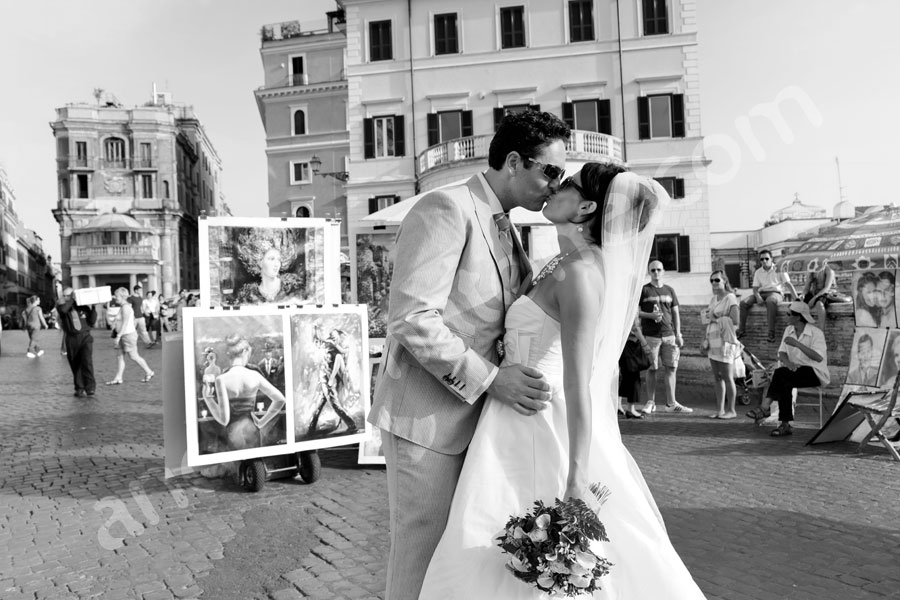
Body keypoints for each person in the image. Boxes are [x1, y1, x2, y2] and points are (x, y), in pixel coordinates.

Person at [420, 165, 705, 598]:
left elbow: (581, 383)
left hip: (540, 419)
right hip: (510, 413)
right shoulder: (562, 262)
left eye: (567, 183)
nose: (555, 186)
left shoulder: (581, 273)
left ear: (587, 206)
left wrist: (576, 477)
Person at [369, 110, 567, 599]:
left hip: (480, 427)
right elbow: (412, 318)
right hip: (428, 421)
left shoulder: (508, 227)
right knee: (421, 557)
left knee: (457, 564)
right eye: (551, 171)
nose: (555, 185)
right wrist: (491, 379)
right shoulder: (446, 207)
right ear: (516, 162)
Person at [746, 301, 830, 437]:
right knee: (784, 381)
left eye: (789, 314)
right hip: (793, 372)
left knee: (781, 375)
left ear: (798, 317)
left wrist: (797, 344)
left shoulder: (816, 333)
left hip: (814, 372)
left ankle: (766, 408)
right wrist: (788, 363)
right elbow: (782, 353)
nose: (786, 316)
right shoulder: (788, 330)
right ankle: (784, 424)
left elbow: (818, 358)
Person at [204, 333, 287, 451]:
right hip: (253, 430)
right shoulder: (254, 375)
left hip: (232, 435)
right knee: (255, 464)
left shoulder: (221, 379)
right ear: (244, 352)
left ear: (229, 355)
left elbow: (224, 419)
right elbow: (280, 399)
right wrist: (262, 422)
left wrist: (208, 399)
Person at [638, 260, 690, 414]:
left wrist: (678, 334)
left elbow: (675, 314)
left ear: (663, 271)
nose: (656, 273)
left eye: (658, 269)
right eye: (652, 270)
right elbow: (635, 313)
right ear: (649, 272)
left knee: (671, 368)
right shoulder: (644, 290)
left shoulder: (670, 290)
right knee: (652, 368)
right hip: (651, 336)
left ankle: (671, 403)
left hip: (669, 335)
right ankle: (650, 402)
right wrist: (650, 315)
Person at [737, 249, 799, 343]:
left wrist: (797, 299)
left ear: (771, 259)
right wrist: (758, 297)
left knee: (770, 301)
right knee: (743, 303)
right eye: (762, 259)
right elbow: (755, 288)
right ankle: (741, 330)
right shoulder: (758, 272)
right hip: (762, 293)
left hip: (776, 293)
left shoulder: (779, 269)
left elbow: (788, 284)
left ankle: (771, 333)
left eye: (766, 258)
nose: (764, 261)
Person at [702, 270, 740, 419]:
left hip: (725, 342)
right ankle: (720, 410)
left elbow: (735, 320)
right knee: (717, 377)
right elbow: (708, 319)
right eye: (711, 280)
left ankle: (732, 410)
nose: (714, 283)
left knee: (728, 377)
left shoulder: (730, 298)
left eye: (717, 280)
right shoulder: (713, 299)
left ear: (724, 281)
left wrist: (716, 317)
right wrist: (704, 339)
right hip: (713, 341)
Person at [308, 326, 358, 436]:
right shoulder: (325, 344)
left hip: (328, 380)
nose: (332, 338)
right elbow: (317, 341)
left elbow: (340, 357)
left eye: (335, 336)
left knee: (335, 404)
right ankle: (311, 429)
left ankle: (352, 425)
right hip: (323, 379)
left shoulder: (334, 347)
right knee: (319, 405)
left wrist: (331, 379)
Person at [232, 233, 305, 305]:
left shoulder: (292, 287)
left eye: (279, 260)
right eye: (271, 259)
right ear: (260, 262)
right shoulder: (248, 295)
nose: (276, 264)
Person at [106, 287, 154, 385]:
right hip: (124, 335)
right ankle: (118, 377)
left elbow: (125, 322)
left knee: (134, 356)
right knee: (120, 356)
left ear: (123, 296)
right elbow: (118, 319)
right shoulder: (123, 306)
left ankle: (149, 371)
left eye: (117, 296)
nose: (115, 298)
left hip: (127, 335)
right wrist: (114, 324)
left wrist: (118, 336)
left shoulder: (126, 307)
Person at [56, 285, 98, 397]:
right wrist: (72, 300)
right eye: (64, 295)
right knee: (75, 363)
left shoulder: (83, 307)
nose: (65, 297)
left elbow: (92, 321)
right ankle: (79, 387)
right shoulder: (61, 307)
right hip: (72, 338)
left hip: (85, 337)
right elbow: (64, 310)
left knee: (87, 362)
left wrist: (93, 308)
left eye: (68, 295)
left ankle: (90, 388)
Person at [618, 317, 650, 419]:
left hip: (623, 343)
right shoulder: (632, 303)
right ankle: (630, 409)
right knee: (634, 377)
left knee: (625, 377)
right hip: (630, 343)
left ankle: (618, 405)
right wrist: (645, 343)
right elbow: (635, 327)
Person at [802, 261, 836, 330]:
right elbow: (806, 288)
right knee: (799, 305)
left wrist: (814, 298)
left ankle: (821, 331)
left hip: (826, 293)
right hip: (814, 293)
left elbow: (827, 288)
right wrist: (802, 295)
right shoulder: (812, 270)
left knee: (819, 304)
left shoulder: (828, 270)